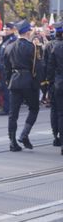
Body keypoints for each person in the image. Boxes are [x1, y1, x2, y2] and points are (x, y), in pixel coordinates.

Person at [4, 20, 42, 151]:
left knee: (12, 114)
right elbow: (38, 67)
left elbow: (7, 68)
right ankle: (24, 134)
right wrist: (39, 84)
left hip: (14, 81)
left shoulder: (9, 46)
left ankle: (12, 141)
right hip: (29, 81)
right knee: (34, 108)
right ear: (27, 32)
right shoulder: (33, 47)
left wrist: (8, 81)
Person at [47, 22, 63, 153]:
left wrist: (49, 83)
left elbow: (49, 67)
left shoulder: (53, 46)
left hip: (58, 83)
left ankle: (57, 137)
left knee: (58, 112)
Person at [0, 23, 17, 115]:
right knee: (4, 88)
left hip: (8, 68)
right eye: (4, 29)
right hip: (2, 68)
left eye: (7, 29)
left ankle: (7, 108)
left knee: (7, 89)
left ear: (12, 30)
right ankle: (7, 107)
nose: (5, 30)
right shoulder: (5, 40)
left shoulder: (13, 40)